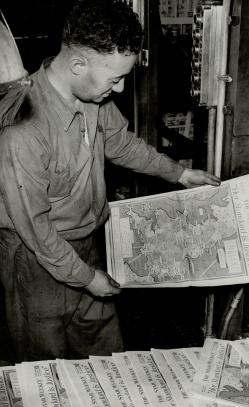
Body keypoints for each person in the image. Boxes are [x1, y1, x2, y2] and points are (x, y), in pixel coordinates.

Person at [0, 0, 220, 361]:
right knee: (46, 362)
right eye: (115, 78)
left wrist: (179, 174)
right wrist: (86, 279)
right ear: (77, 65)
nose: (119, 90)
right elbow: (37, 231)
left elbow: (122, 144)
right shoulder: (23, 130)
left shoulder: (92, 96)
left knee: (105, 350)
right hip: (34, 261)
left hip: (86, 243)